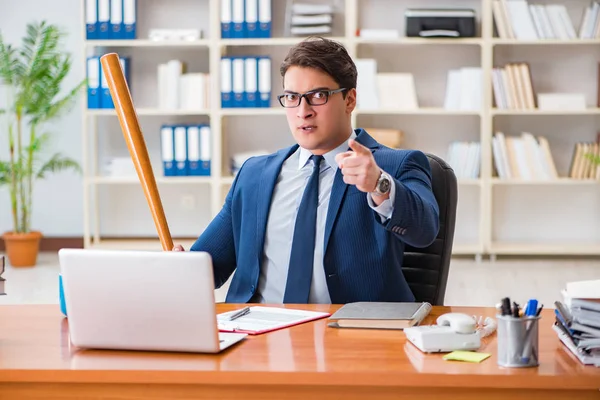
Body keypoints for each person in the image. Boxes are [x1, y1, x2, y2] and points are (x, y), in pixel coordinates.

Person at [173, 37, 439, 304]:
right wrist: (181, 268)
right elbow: (209, 266)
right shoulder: (254, 174)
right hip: (257, 332)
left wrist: (379, 184)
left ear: (349, 99)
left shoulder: (394, 165)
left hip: (349, 333)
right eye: (291, 97)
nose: (303, 111)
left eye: (318, 96)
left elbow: (425, 230)